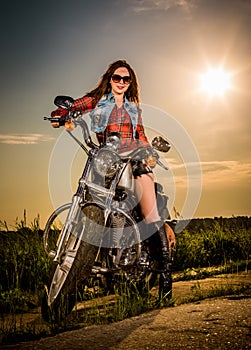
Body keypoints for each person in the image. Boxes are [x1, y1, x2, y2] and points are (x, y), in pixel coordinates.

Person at [51, 59, 176, 298]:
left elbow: (140, 135)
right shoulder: (98, 100)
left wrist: (148, 152)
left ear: (130, 83)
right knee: (88, 193)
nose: (121, 82)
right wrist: (61, 115)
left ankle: (165, 275)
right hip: (107, 160)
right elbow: (77, 106)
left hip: (134, 161)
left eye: (125, 79)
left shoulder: (133, 109)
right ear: (110, 79)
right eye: (117, 78)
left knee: (150, 212)